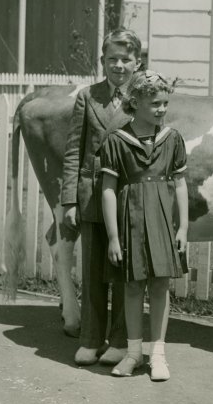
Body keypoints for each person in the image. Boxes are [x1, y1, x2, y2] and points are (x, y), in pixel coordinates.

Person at [100, 70, 189, 381]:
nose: (161, 109)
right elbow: (108, 189)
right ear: (135, 103)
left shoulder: (173, 139)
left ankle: (158, 355)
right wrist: (113, 236)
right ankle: (134, 353)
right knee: (133, 286)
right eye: (154, 104)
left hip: (163, 219)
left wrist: (183, 228)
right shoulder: (116, 140)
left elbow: (180, 185)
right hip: (131, 220)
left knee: (161, 284)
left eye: (165, 103)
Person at [62, 29, 142, 366]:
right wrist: (69, 201)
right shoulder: (87, 97)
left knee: (124, 273)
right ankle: (91, 339)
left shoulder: (142, 98)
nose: (119, 66)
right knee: (93, 272)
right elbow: (72, 152)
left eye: (126, 60)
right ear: (102, 62)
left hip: (127, 199)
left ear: (137, 62)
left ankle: (120, 341)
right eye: (112, 59)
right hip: (92, 197)